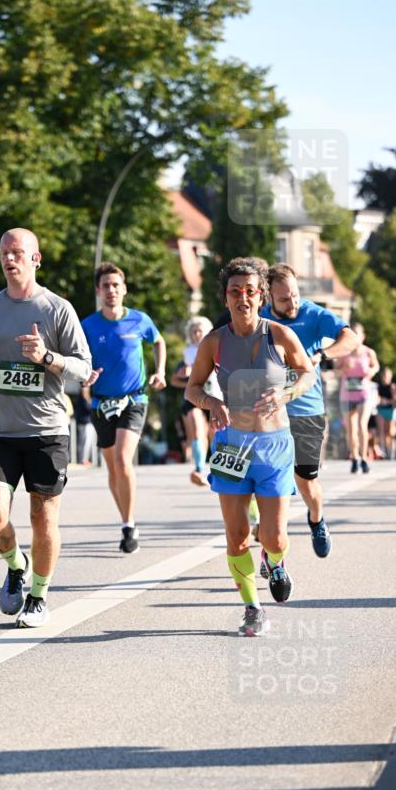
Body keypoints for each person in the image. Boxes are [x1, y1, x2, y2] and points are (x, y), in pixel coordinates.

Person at [0, 227, 92, 628]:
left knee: (44, 519)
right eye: (5, 252)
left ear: (36, 259)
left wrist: (47, 357)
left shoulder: (58, 309)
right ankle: (15, 563)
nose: (10, 259)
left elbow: (83, 368)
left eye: (18, 252)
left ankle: (38, 595)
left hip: (46, 431)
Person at [185, 256, 315, 637]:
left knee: (274, 537)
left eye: (250, 291)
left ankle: (274, 562)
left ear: (261, 296)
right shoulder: (214, 342)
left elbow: (307, 372)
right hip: (231, 447)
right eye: (235, 291)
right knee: (237, 534)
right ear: (225, 298)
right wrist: (212, 403)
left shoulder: (280, 336)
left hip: (274, 445)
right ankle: (251, 607)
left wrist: (286, 392)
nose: (243, 297)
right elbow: (193, 388)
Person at [260, 263, 359, 557]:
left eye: (294, 295)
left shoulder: (312, 313)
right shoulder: (260, 319)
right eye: (283, 299)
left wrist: (322, 353)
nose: (292, 303)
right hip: (271, 413)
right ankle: (272, 549)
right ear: (268, 298)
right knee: (273, 482)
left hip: (308, 411)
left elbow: (350, 337)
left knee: (306, 481)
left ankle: (316, 520)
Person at [81, 262, 167, 554]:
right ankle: (124, 520)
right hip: (101, 402)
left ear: (124, 289)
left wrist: (161, 371)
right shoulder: (88, 325)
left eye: (116, 285)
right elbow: (78, 358)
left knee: (122, 460)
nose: (111, 290)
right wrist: (85, 376)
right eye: (105, 285)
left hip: (134, 399)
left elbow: (159, 341)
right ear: (98, 290)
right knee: (112, 468)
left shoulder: (139, 320)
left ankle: (129, 524)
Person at [171, 316, 216, 488]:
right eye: (193, 331)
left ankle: (218, 470)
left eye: (200, 330)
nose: (197, 334)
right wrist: (186, 378)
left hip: (214, 397)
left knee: (215, 435)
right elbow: (174, 380)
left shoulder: (217, 347)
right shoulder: (187, 354)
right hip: (194, 398)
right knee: (197, 431)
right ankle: (198, 469)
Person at [334, 322, 380, 473]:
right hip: (347, 395)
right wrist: (343, 369)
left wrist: (371, 371)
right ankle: (354, 458)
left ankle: (365, 458)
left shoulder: (368, 352)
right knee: (351, 429)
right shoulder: (344, 352)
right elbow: (336, 372)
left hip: (364, 394)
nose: (355, 337)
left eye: (358, 334)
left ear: (363, 336)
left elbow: (376, 366)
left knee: (362, 425)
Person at [376, 367, 396, 460]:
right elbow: (376, 398)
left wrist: (388, 401)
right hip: (381, 410)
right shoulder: (379, 386)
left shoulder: (392, 387)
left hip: (391, 411)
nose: (385, 377)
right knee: (381, 431)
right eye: (384, 375)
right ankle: (382, 450)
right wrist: (380, 400)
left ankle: (391, 451)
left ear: (390, 376)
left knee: (390, 433)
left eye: (387, 375)